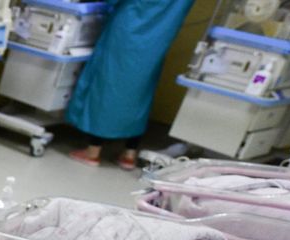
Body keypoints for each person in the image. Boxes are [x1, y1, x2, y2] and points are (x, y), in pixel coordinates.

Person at [65, 0, 196, 170]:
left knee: (109, 83)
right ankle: (129, 154)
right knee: (141, 90)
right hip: (159, 37)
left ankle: (93, 150)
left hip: (129, 27)